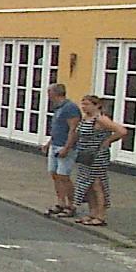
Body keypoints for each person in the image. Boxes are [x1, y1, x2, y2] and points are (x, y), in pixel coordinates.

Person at [70, 94, 127, 228]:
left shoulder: (101, 119)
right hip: (85, 155)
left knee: (97, 184)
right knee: (87, 185)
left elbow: (122, 131)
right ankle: (92, 213)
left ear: (97, 106)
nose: (84, 107)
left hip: (97, 156)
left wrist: (108, 141)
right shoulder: (85, 118)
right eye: (83, 104)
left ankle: (100, 215)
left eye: (87, 104)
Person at [43, 82, 82, 218]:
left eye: (49, 93)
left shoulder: (70, 108)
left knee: (64, 176)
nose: (48, 96)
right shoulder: (58, 108)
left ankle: (71, 205)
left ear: (55, 93)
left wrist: (67, 147)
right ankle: (60, 202)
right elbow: (57, 128)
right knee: (54, 174)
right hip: (55, 144)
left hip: (64, 146)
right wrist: (49, 143)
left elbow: (73, 130)